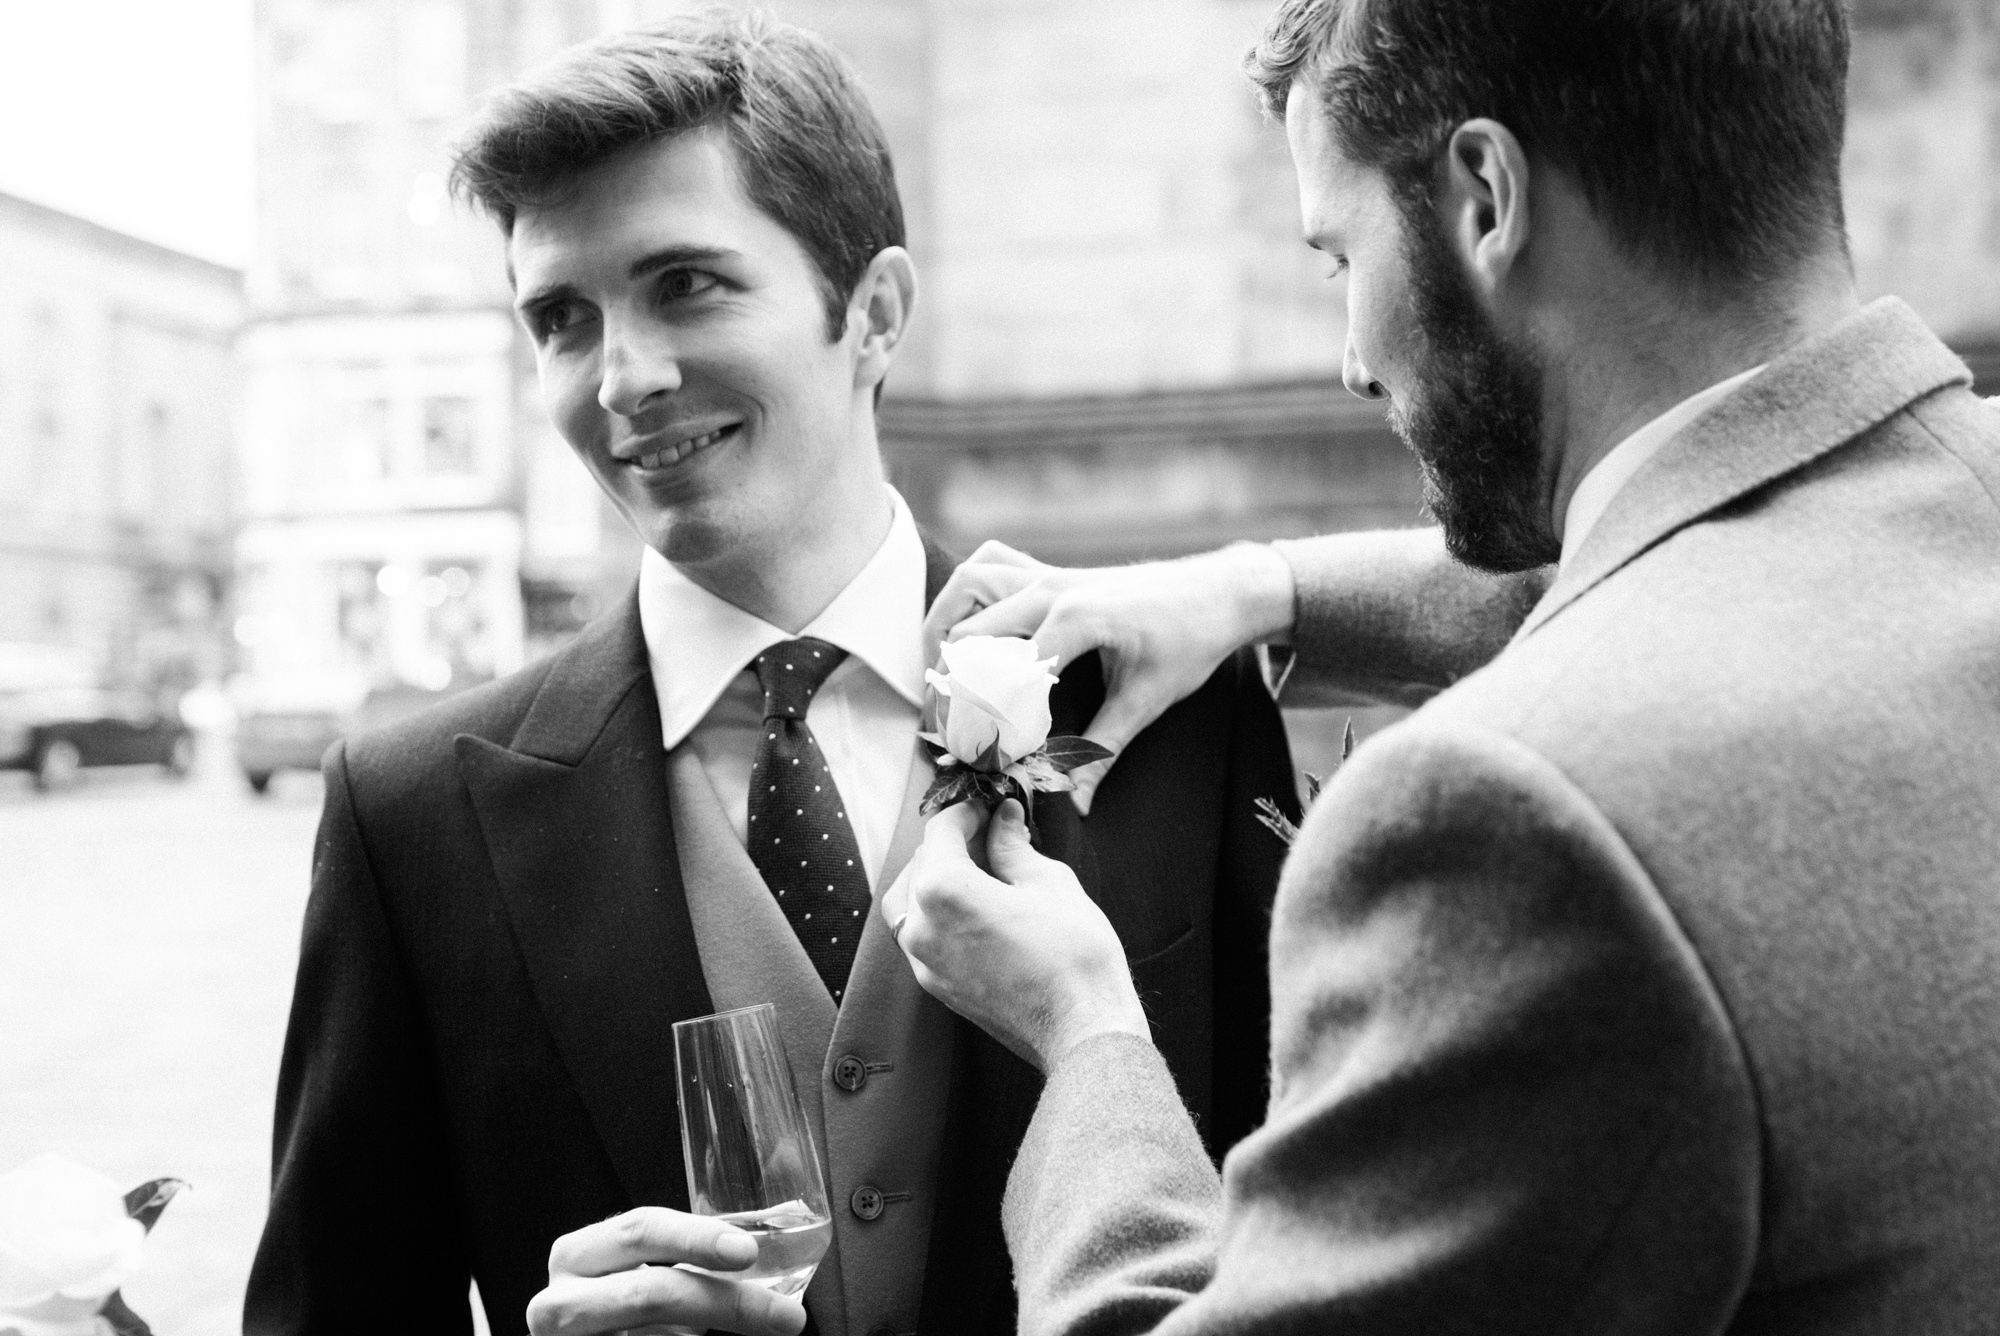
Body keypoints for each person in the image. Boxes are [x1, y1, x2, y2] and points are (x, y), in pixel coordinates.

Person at [889, 0, 2000, 1331]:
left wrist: (1084, 1040)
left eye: (1337, 254)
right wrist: (1258, 589)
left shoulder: (1505, 823)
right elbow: (1722, 552)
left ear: (1484, 197)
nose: (1353, 359)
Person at [242, 14, 1306, 1336]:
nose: (622, 378)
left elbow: (1329, 1254)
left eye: (685, 284)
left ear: (874, 314)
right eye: (562, 319)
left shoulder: (1172, 719)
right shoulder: (407, 817)